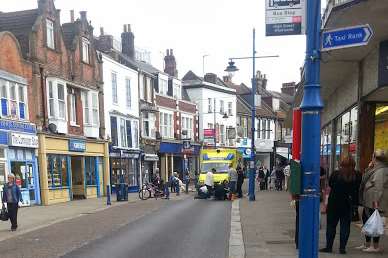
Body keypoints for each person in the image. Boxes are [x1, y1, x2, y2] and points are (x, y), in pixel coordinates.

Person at [320, 156, 358, 254]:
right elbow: (357, 189)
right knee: (345, 227)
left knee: (331, 226)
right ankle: (342, 248)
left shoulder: (336, 174)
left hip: (334, 204)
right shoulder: (357, 175)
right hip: (347, 204)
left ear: (341, 164)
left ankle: (329, 247)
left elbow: (331, 185)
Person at [357, 149, 388, 253]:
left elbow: (379, 188)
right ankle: (367, 244)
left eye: (372, 156)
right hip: (369, 201)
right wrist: (369, 168)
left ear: (375, 157)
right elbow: (365, 179)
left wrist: (376, 202)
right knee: (367, 221)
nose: (371, 158)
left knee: (375, 223)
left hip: (374, 202)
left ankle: (375, 246)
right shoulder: (375, 168)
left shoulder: (381, 170)